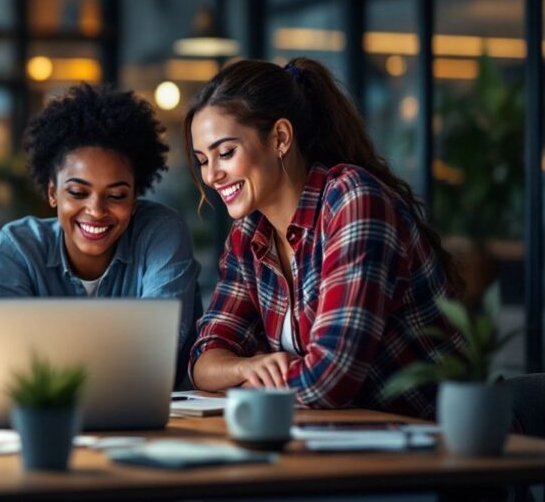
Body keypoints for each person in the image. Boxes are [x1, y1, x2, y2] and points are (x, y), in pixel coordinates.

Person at [184, 57, 466, 418]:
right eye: (202, 160)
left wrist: (248, 382)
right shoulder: (248, 236)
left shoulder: (352, 200)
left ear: (280, 138)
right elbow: (203, 361)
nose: (211, 176)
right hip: (342, 445)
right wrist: (244, 368)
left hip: (443, 448)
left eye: (225, 153)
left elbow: (330, 378)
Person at [0, 84, 202, 383]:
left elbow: (161, 341)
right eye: (77, 192)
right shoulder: (17, 248)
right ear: (52, 192)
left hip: (160, 416)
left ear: (136, 196)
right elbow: (10, 357)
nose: (97, 210)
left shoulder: (160, 232)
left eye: (116, 196)